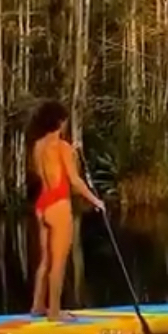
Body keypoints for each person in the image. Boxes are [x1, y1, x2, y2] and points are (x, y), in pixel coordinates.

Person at [26, 101, 104, 320]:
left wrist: (73, 152)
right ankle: (54, 312)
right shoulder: (62, 147)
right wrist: (96, 201)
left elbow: (48, 172)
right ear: (60, 122)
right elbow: (74, 181)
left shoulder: (38, 146)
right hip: (59, 205)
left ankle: (37, 306)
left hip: (42, 204)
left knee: (45, 260)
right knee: (58, 263)